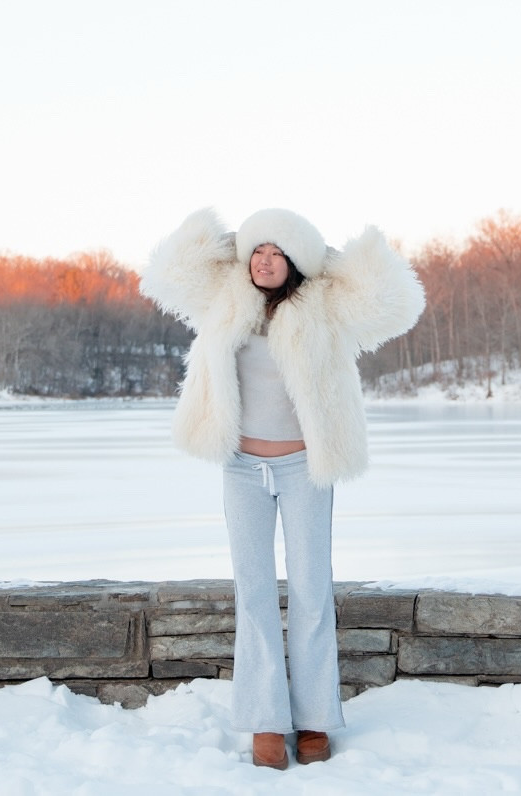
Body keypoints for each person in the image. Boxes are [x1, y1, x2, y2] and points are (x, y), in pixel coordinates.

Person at [140, 206, 425, 770]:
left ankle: (315, 719)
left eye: (278, 252)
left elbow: (396, 305)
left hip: (303, 469)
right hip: (242, 466)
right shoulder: (225, 297)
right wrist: (220, 241)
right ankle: (267, 722)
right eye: (257, 251)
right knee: (254, 594)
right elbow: (165, 276)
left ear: (296, 262)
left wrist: (338, 258)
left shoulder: (323, 304)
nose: (265, 261)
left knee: (313, 590)